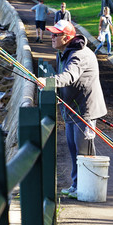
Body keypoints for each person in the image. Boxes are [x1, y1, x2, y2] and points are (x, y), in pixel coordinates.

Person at [46, 19, 107, 199]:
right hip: (72, 109)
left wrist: (48, 82)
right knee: (73, 148)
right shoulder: (65, 52)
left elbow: (68, 77)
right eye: (51, 34)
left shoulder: (78, 55)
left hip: (85, 111)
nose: (51, 37)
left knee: (84, 150)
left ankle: (89, 190)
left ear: (66, 37)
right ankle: (77, 185)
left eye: (55, 35)